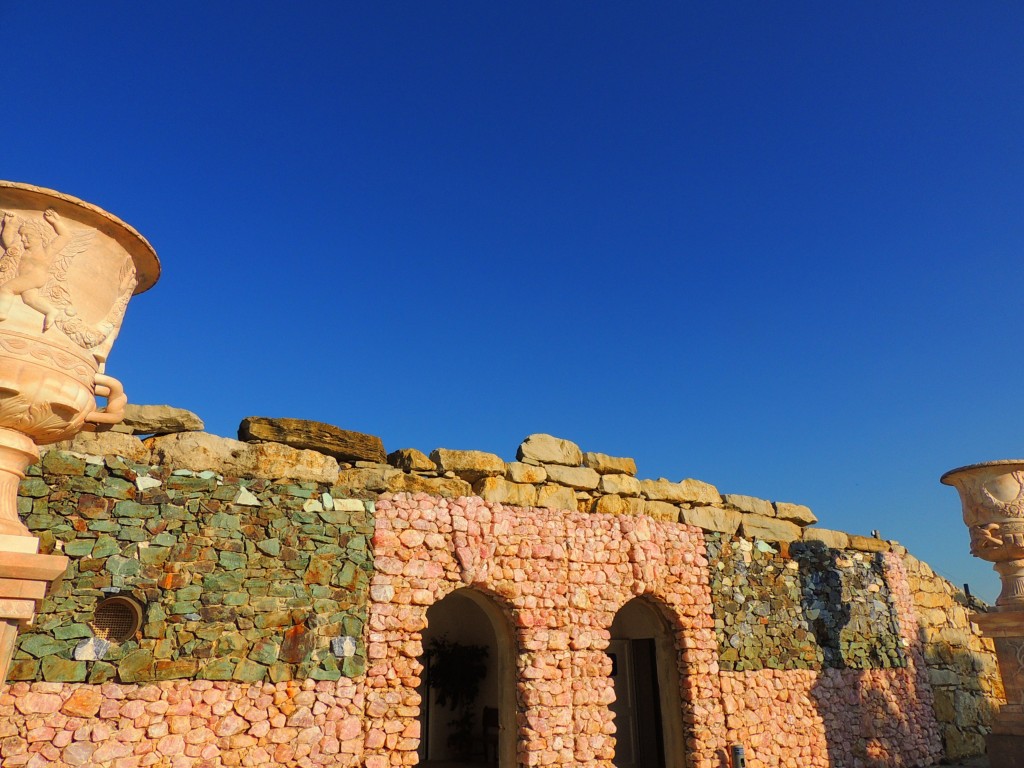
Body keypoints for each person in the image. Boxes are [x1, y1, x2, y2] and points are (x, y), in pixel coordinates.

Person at [0, 208, 69, 330]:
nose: (23, 239)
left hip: (36, 277)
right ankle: (51, 311)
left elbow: (65, 237)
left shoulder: (47, 251)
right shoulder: (22, 251)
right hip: (26, 278)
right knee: (29, 299)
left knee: (7, 288)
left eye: (28, 236)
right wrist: (9, 224)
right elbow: (7, 243)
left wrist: (56, 222)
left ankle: (2, 312)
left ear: (41, 236)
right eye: (22, 236)